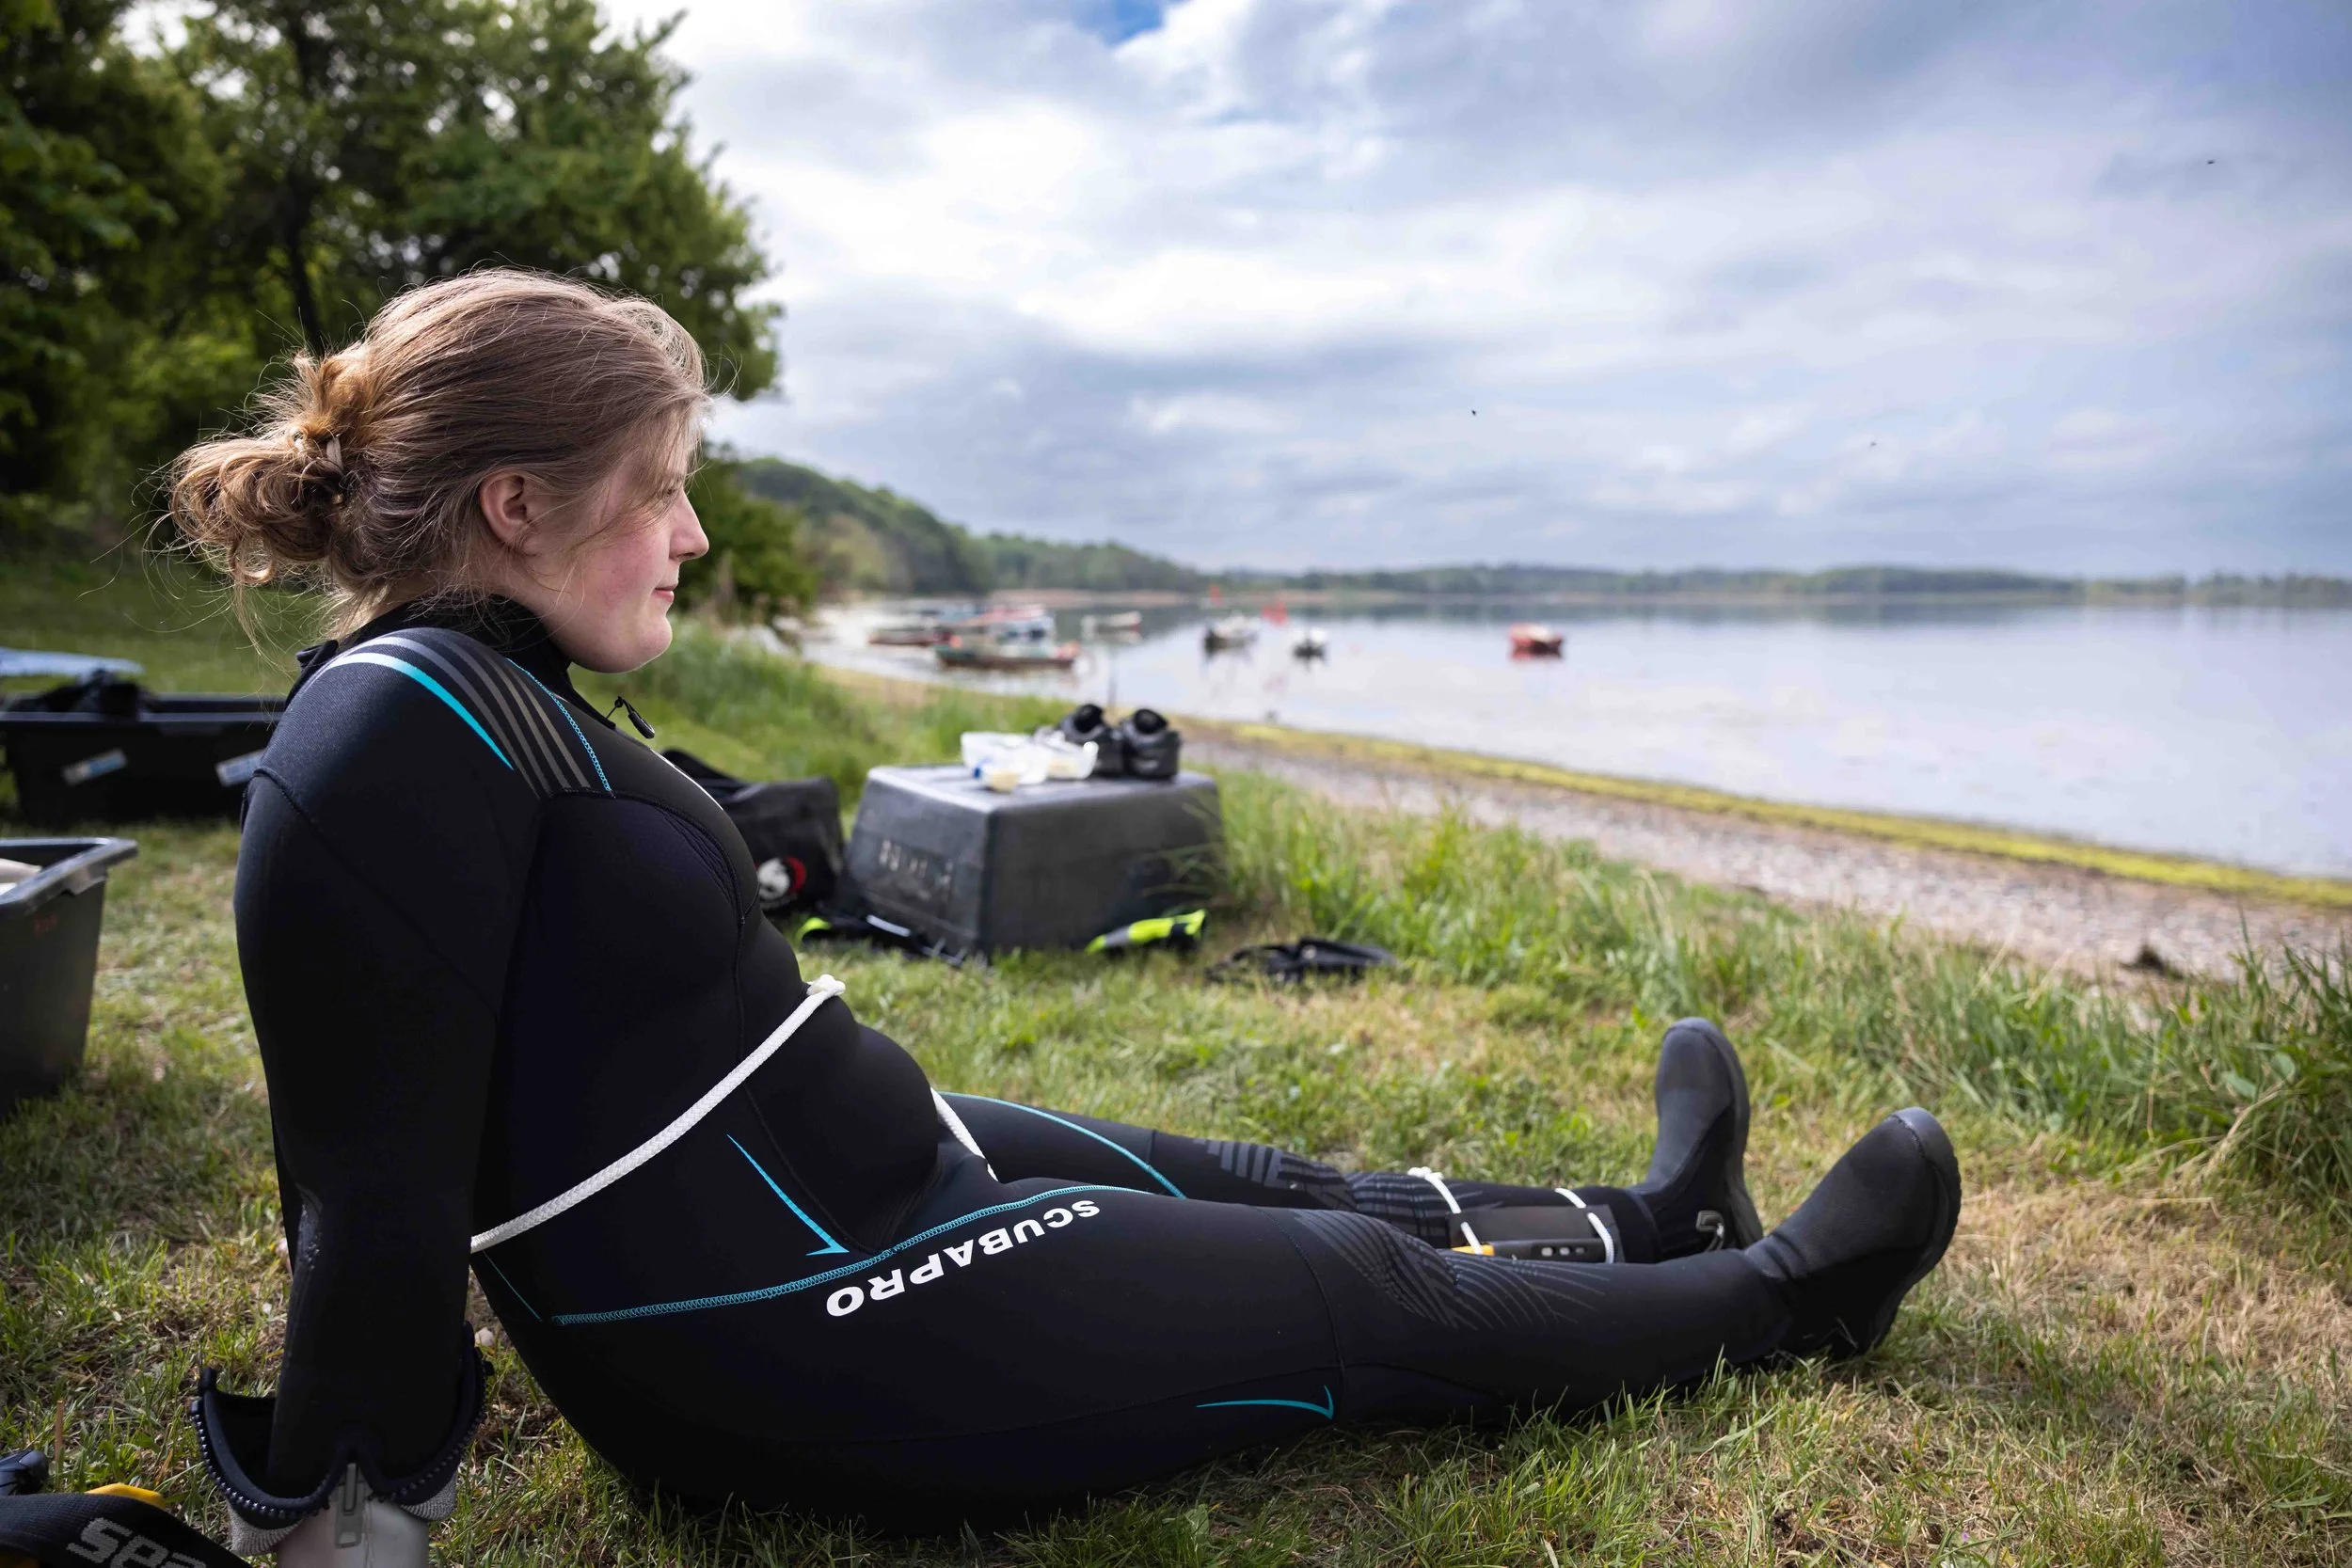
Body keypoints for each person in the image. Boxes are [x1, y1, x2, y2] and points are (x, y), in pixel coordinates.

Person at [170, 271, 1961, 1563]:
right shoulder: (390, 729)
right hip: (792, 1328)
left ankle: (1651, 1218)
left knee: (1265, 1179)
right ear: (515, 505)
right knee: (1350, 1286)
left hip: (851, 1167)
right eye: (660, 486)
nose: (694, 532)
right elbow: (364, 1190)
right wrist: (348, 1513)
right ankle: (1791, 1299)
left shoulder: (496, 686)